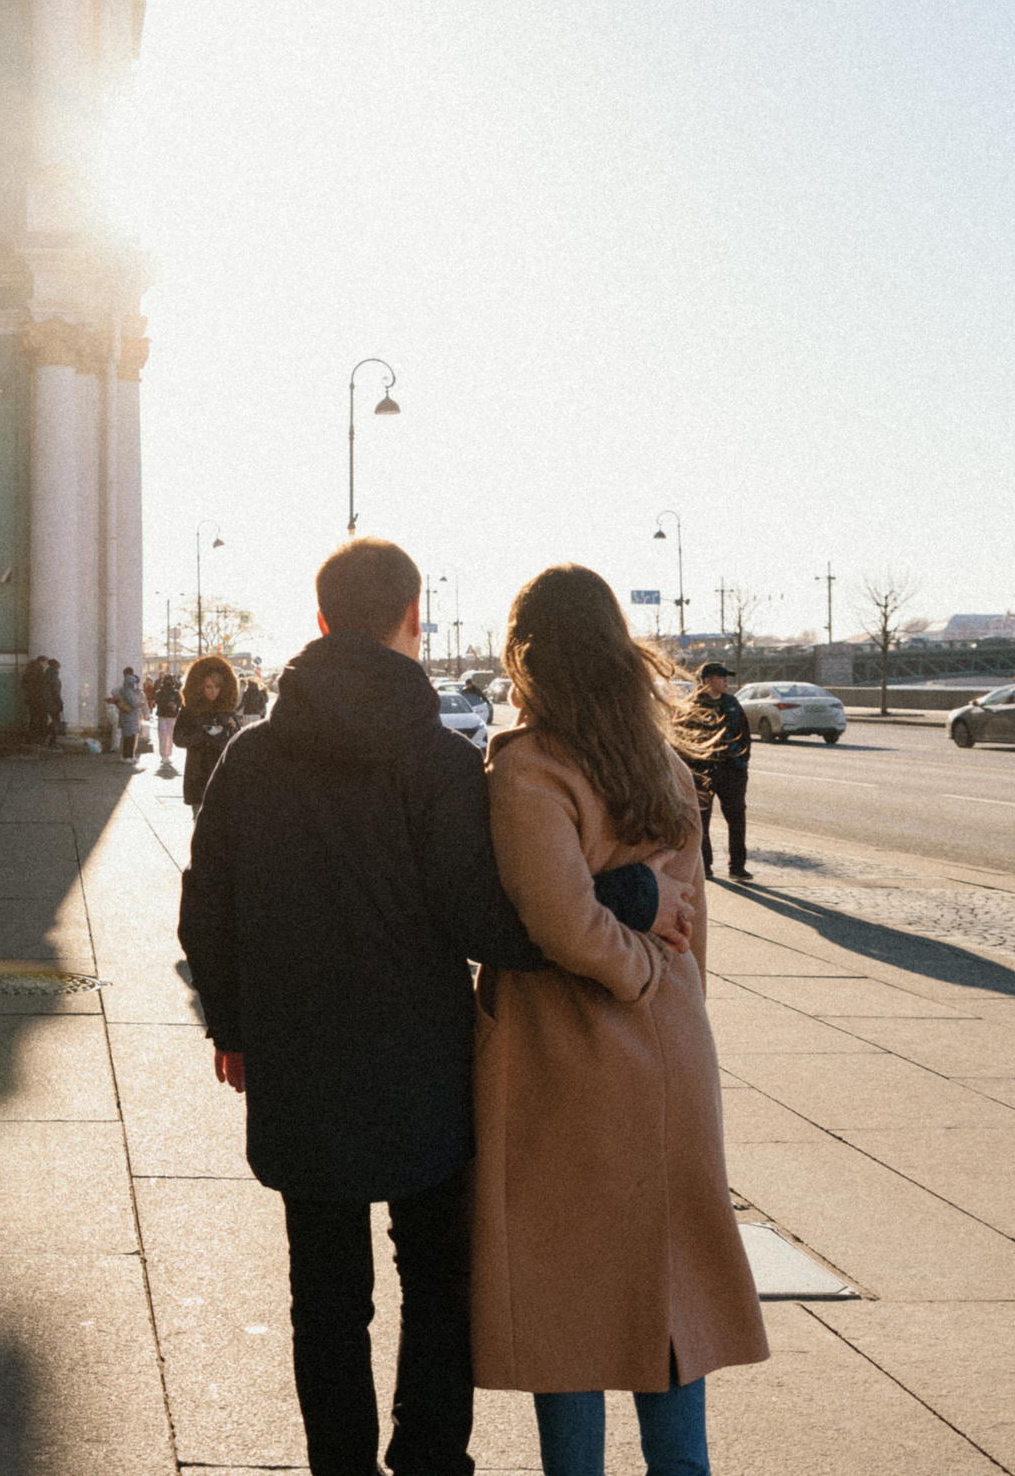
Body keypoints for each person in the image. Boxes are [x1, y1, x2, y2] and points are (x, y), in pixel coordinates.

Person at [179, 538, 687, 1476]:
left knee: (325, 1292)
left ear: (322, 619)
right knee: (435, 1280)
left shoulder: (251, 760)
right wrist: (629, 901)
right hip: (424, 1069)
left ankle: (340, 1462)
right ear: (413, 619)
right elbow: (495, 925)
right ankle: (428, 1459)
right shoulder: (437, 761)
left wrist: (235, 1029)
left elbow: (205, 912)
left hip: (298, 1063)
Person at [474, 565, 770, 1475]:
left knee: (570, 1306)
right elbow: (692, 924)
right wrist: (676, 1003)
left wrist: (637, 966)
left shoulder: (529, 766)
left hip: (567, 1064)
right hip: (670, 1051)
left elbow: (561, 921)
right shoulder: (666, 767)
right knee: (667, 1298)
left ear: (527, 654)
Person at [678, 661, 751, 881]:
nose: (727, 681)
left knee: (737, 819)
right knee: (701, 821)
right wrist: (692, 770)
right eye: (722, 677)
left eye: (727, 677)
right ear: (708, 680)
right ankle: (705, 866)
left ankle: (737, 866)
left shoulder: (732, 703)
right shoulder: (691, 706)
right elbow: (680, 742)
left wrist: (742, 762)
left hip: (731, 771)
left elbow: (745, 734)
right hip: (702, 772)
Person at [177, 655, 243, 807]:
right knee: (199, 822)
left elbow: (238, 744)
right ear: (201, 687)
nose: (214, 691)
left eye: (217, 687)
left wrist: (232, 729)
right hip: (198, 773)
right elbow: (178, 739)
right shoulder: (190, 711)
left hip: (222, 775)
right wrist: (203, 734)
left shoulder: (228, 710)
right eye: (209, 687)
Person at [109, 667, 147, 764]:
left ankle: (130, 755)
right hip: (128, 715)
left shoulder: (128, 688)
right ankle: (127, 756)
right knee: (128, 737)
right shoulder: (128, 688)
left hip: (131, 715)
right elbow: (133, 702)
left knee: (131, 736)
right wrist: (139, 704)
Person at [153, 671, 184, 779]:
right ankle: (164, 755)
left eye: (170, 680)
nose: (169, 682)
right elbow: (158, 702)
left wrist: (175, 706)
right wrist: (168, 704)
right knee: (164, 735)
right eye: (167, 680)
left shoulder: (175, 692)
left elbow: (180, 702)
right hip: (163, 716)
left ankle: (167, 754)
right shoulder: (160, 692)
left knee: (168, 736)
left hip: (171, 716)